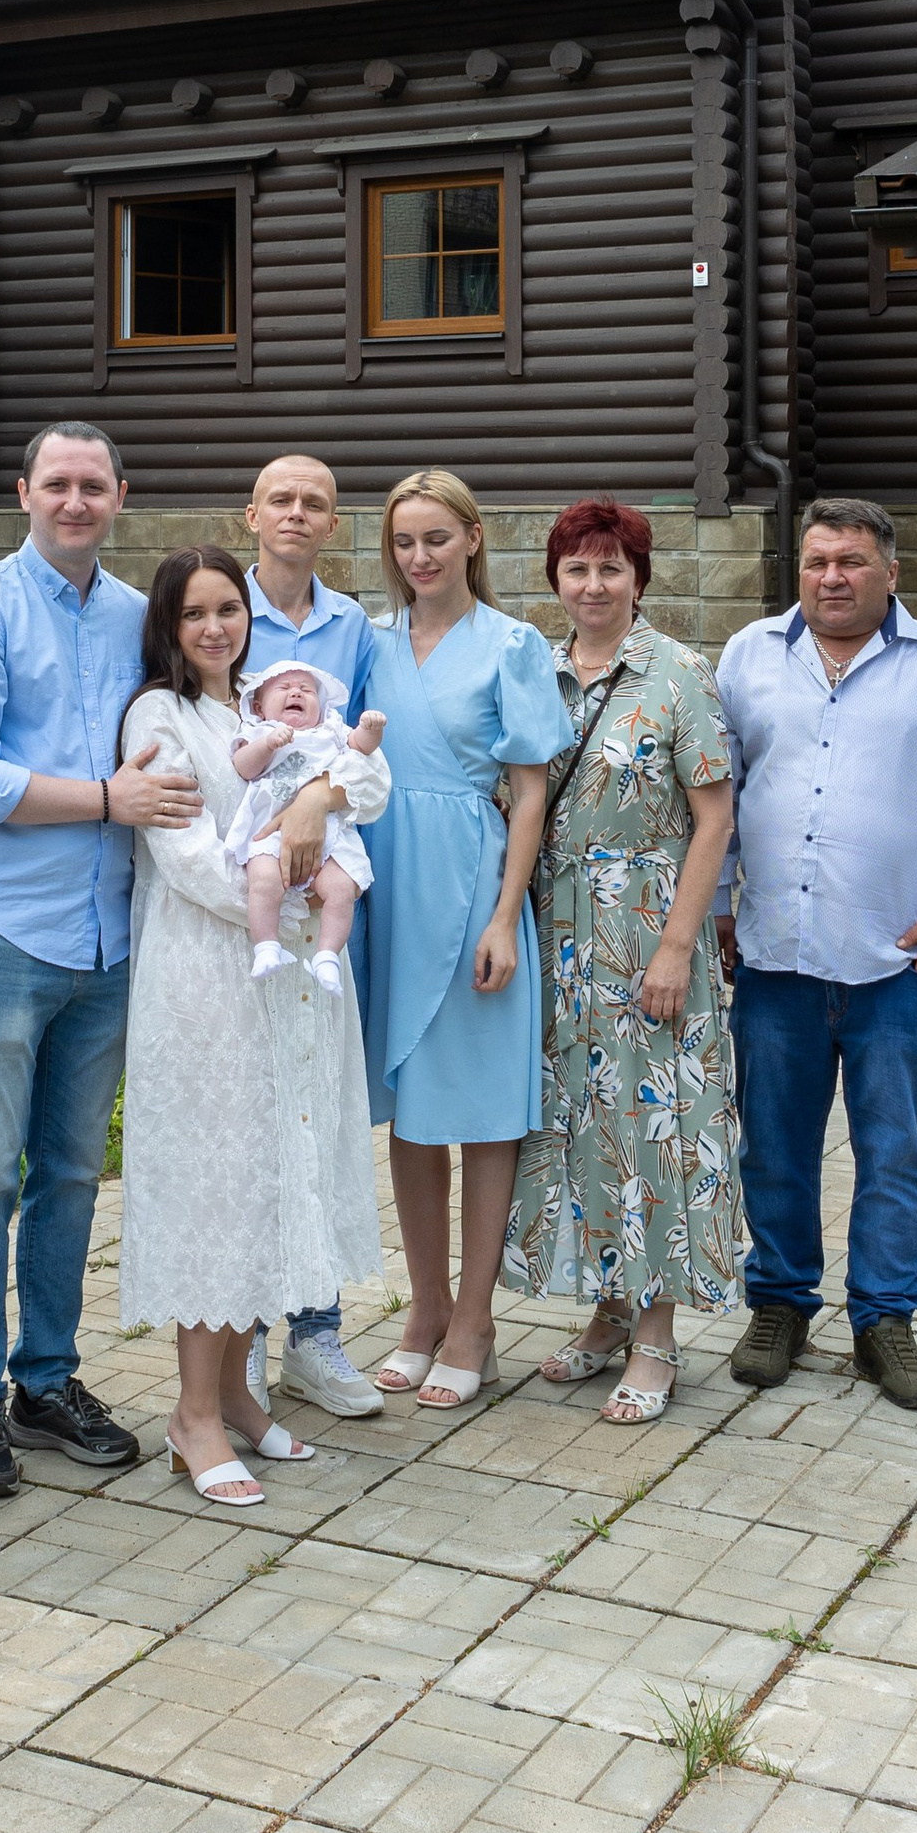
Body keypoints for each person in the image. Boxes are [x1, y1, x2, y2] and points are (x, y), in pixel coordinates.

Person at [0, 421, 198, 1499]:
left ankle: (47, 1380)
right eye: (58, 484)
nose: (75, 501)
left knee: (75, 1175)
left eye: (94, 485)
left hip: (111, 936)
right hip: (3, 931)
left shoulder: (142, 619)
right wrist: (103, 802)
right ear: (23, 492)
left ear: (120, 495)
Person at [713, 494, 917, 1415]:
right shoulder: (748, 659)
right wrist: (722, 906)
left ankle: (884, 1322)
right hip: (775, 961)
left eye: (851, 562)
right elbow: (717, 790)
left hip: (900, 965)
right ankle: (779, 1305)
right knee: (773, 1146)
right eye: (817, 562)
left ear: (891, 573)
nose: (832, 578)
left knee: (896, 1151)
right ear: (798, 571)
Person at [117, 549, 385, 1503]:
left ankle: (236, 1390)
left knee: (268, 1178)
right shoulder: (160, 716)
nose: (216, 628)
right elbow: (187, 857)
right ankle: (191, 1411)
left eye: (229, 609)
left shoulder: (268, 705)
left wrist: (320, 794)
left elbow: (360, 780)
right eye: (195, 614)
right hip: (203, 980)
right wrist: (305, 909)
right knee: (218, 1188)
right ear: (169, 625)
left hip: (279, 986)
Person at [506, 496, 742, 1427]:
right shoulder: (540, 674)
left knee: (653, 1131)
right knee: (576, 1126)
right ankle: (607, 1310)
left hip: (646, 932)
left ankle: (657, 1334)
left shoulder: (679, 674)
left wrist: (680, 945)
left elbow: (714, 818)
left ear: (639, 578)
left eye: (612, 568)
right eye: (577, 568)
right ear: (556, 579)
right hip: (556, 937)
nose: (594, 585)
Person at [357, 468, 570, 1407]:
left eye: (436, 538)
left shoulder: (512, 644)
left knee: (480, 1111)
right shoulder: (367, 642)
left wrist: (505, 917)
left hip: (474, 880)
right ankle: (425, 1308)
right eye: (404, 542)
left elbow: (530, 792)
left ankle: (477, 1319)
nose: (420, 557)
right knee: (409, 1104)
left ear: (473, 539)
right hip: (385, 886)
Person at [241, 450, 382, 1422]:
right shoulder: (214, 608)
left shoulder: (354, 628)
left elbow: (372, 759)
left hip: (320, 915)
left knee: (317, 1115)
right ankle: (240, 1336)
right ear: (251, 515)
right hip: (241, 910)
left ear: (334, 525)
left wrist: (315, 806)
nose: (296, 514)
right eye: (281, 499)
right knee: (248, 1119)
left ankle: (316, 1336)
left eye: (315, 504)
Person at [227, 662, 385, 988]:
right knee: (264, 882)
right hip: (269, 829)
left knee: (341, 889)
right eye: (283, 689)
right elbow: (243, 768)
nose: (296, 691)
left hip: (329, 832)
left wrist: (371, 729)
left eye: (306, 690)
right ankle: (267, 945)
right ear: (258, 706)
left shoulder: (330, 731)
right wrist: (268, 744)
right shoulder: (258, 731)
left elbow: (362, 749)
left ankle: (327, 955)